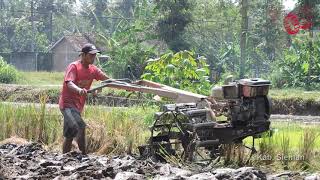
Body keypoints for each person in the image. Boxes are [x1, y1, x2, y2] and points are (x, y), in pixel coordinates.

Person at [59, 43, 112, 155]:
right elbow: (69, 83)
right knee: (80, 126)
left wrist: (124, 86)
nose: (93, 58)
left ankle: (64, 158)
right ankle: (84, 155)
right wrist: (79, 90)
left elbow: (107, 80)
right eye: (90, 55)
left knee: (70, 134)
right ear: (83, 55)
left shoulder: (93, 70)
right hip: (67, 105)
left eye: (94, 55)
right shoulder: (74, 67)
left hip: (78, 106)